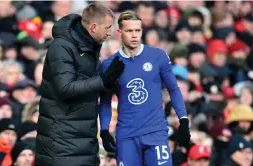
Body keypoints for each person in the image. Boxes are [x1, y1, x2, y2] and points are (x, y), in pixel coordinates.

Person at [35, 2, 125, 166]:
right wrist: (103, 80)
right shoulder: (62, 46)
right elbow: (65, 88)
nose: (110, 33)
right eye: (107, 27)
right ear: (93, 27)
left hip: (83, 140)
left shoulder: (90, 46)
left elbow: (89, 88)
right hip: (61, 143)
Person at [99, 11, 191, 166]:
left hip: (156, 133)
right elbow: (105, 101)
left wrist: (183, 120)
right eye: (129, 31)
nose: (134, 35)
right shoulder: (109, 64)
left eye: (138, 30)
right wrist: (104, 130)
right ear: (119, 33)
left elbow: (173, 89)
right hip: (126, 136)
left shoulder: (158, 56)